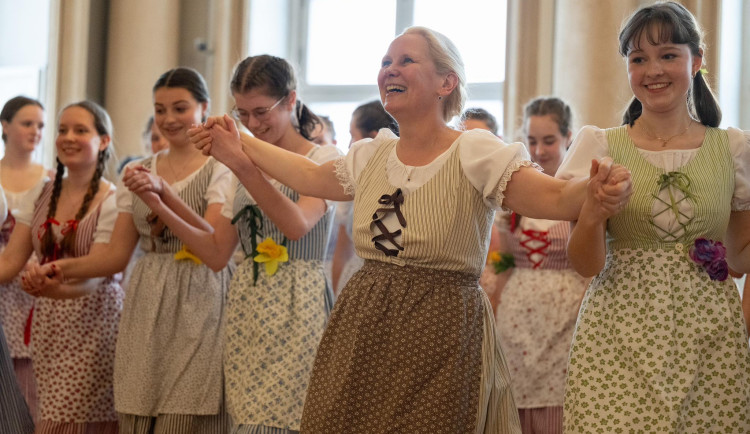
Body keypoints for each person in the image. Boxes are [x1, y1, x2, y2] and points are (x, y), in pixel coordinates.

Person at [189, 27, 631, 432]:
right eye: (385, 62)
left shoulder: (475, 152)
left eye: (405, 61)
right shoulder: (371, 155)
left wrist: (595, 190)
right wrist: (240, 141)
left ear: (446, 82)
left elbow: (553, 198)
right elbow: (306, 175)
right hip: (364, 321)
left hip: (440, 324)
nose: (390, 70)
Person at [557, 2, 750, 431]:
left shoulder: (734, 149)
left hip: (709, 336)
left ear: (696, 61)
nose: (652, 70)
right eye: (638, 58)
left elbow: (740, 258)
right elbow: (587, 265)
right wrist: (594, 212)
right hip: (616, 332)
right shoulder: (599, 146)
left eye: (668, 55)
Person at [130, 54, 340, 433]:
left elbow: (295, 226)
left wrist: (241, 159)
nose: (254, 125)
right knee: (247, 423)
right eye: (243, 114)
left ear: (291, 100)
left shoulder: (322, 158)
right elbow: (214, 253)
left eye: (261, 112)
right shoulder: (236, 163)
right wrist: (161, 197)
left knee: (283, 423)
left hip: (299, 303)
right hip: (248, 306)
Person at [26, 68, 234, 433]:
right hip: (146, 296)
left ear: (204, 107)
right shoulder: (137, 169)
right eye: (160, 109)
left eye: (180, 108)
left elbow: (213, 240)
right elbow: (115, 256)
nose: (169, 119)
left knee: (186, 410)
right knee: (139, 408)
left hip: (200, 294)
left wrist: (162, 195)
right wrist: (59, 269)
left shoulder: (221, 168)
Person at [7, 100, 123, 433]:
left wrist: (54, 287)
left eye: (80, 130)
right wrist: (45, 288)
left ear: (103, 141)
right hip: (50, 328)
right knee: (50, 419)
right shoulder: (41, 193)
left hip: (95, 323)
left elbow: (97, 274)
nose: (68, 137)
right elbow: (11, 260)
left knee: (69, 424)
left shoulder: (113, 198)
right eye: (62, 130)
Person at [493, 97, 588, 433]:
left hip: (566, 319)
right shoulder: (515, 196)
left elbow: (592, 267)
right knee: (514, 407)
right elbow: (503, 266)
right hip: (517, 321)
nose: (540, 150)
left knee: (559, 411)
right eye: (532, 141)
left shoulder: (578, 193)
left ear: (568, 138)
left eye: (549, 141)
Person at [0, 95, 48, 420]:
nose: (36, 131)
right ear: (5, 126)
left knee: (29, 376)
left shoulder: (50, 177)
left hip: (32, 283)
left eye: (41, 125)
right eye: (27, 123)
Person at [331, 99, 398, 294]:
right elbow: (342, 251)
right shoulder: (353, 185)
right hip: (355, 280)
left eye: (353, 135)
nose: (350, 144)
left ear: (372, 139)